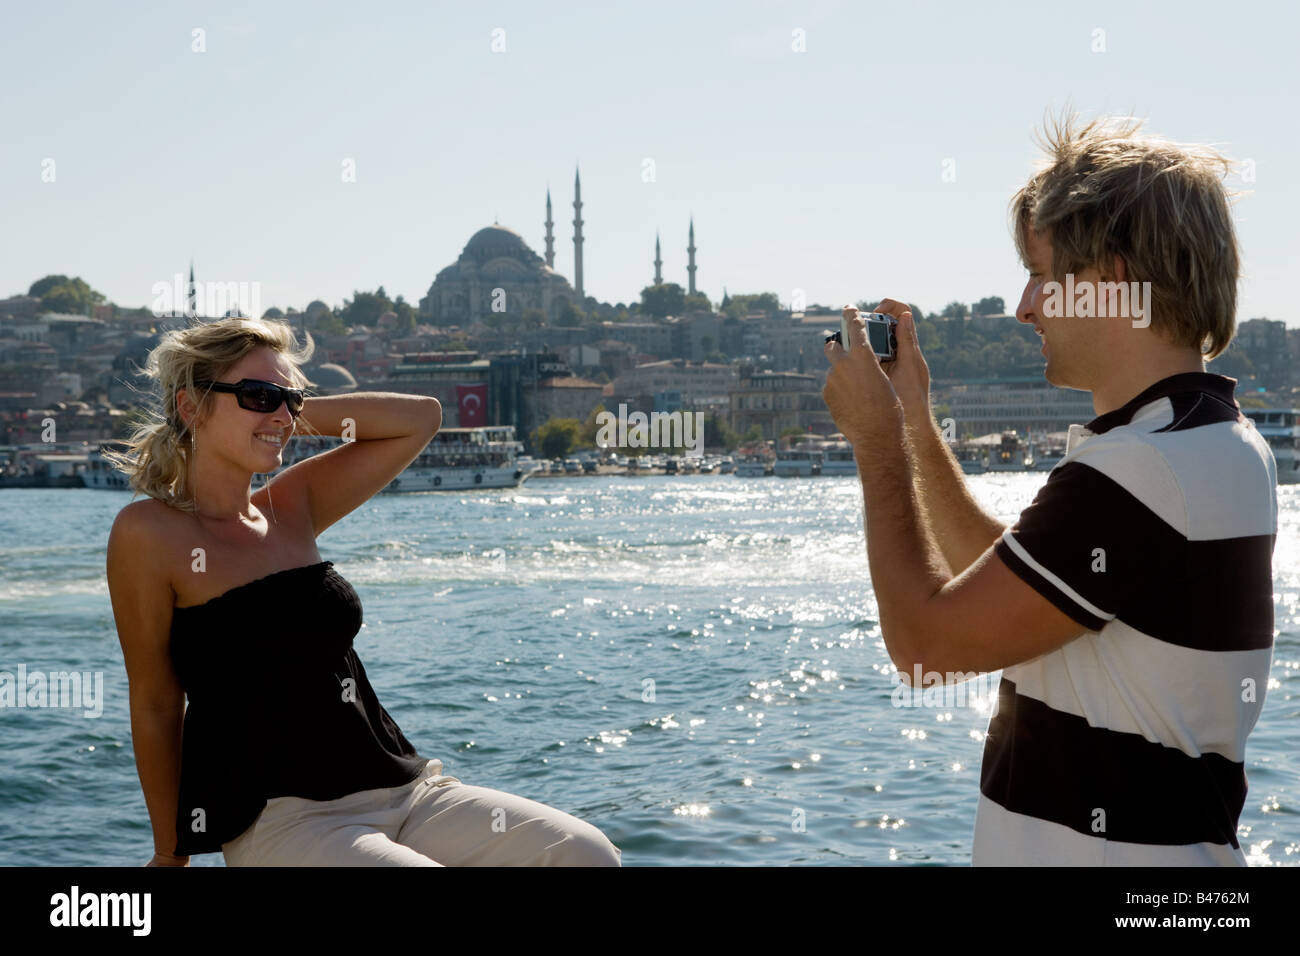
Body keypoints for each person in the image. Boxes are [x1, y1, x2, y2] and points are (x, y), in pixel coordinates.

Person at [822, 114, 1277, 865]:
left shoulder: (1143, 469)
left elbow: (925, 645)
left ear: (1112, 282)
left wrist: (876, 444)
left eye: (1041, 273)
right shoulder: (1207, 439)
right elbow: (1017, 586)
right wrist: (913, 424)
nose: (1024, 306)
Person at [105, 316, 621, 867]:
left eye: (291, 398)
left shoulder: (293, 505)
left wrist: (277, 416)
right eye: (259, 395)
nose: (282, 412)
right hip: (285, 820)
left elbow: (420, 419)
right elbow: (157, 701)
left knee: (587, 855)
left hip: (405, 790)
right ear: (191, 407)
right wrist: (170, 852)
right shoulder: (148, 533)